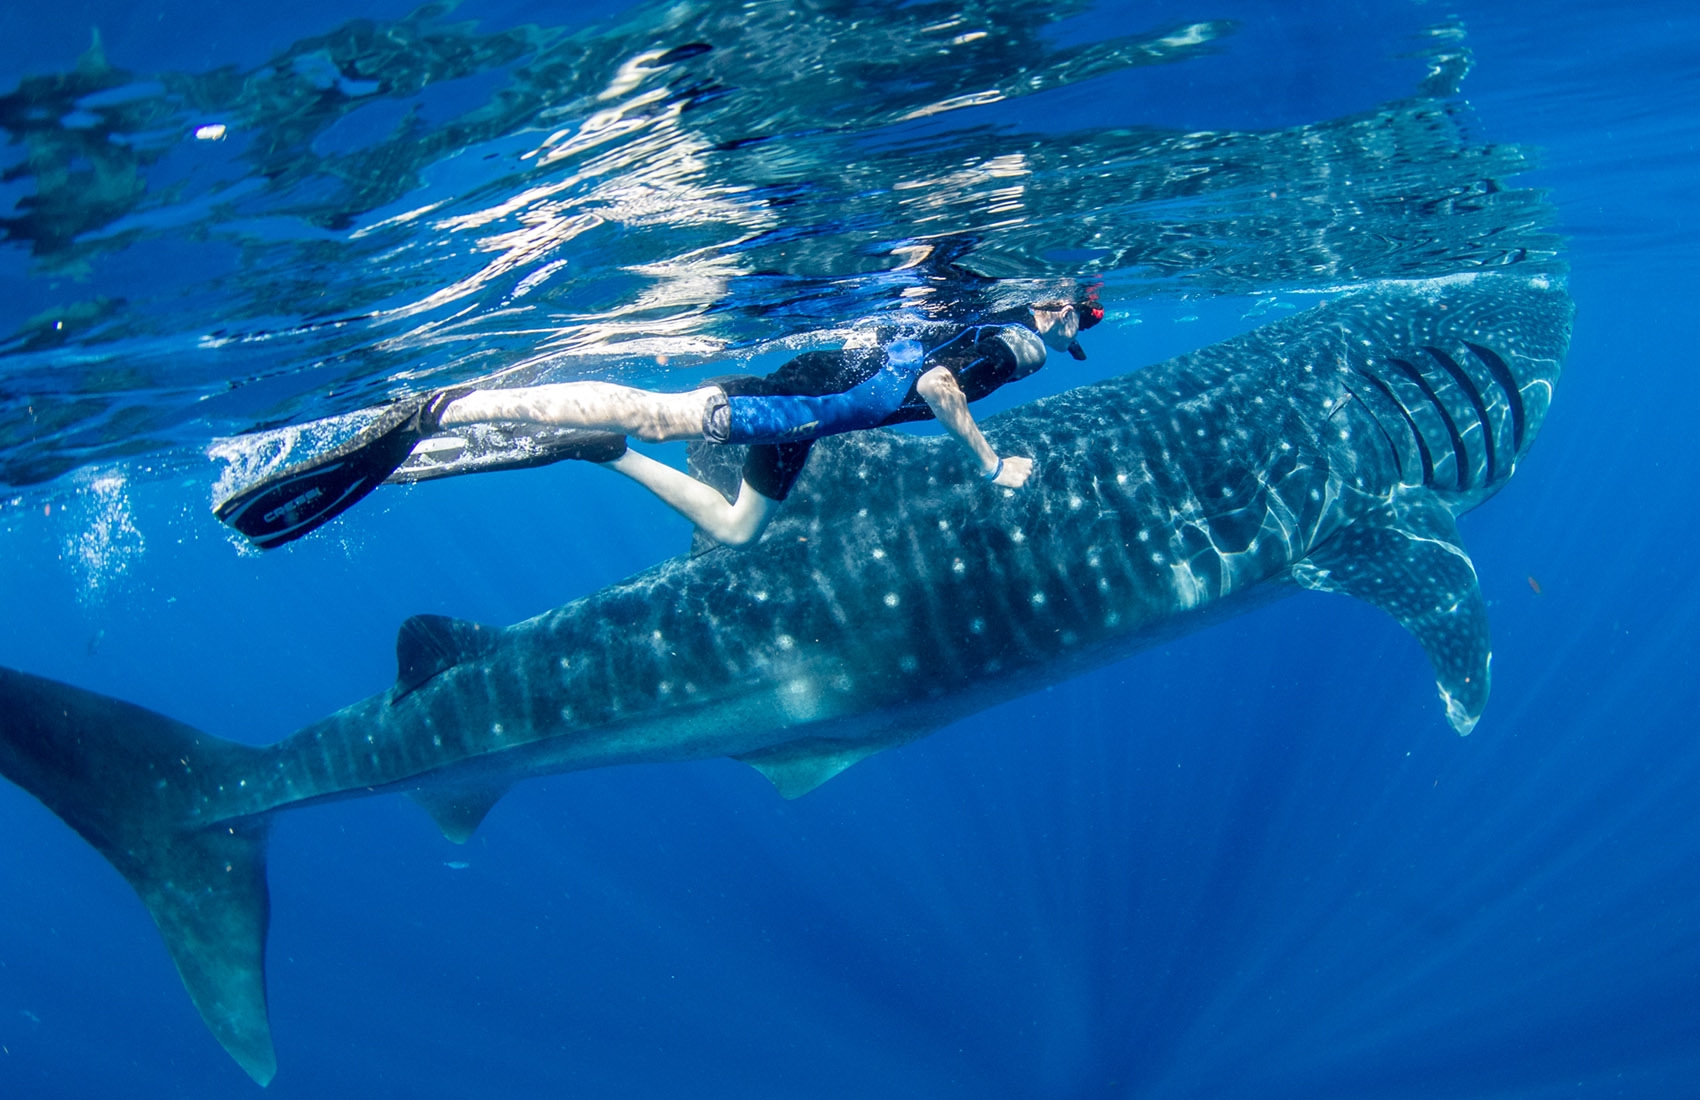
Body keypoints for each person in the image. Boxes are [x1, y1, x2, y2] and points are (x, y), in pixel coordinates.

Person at [215, 295, 1102, 550]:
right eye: (1085, 318)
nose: (1076, 334)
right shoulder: (1012, 343)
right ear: (1059, 306)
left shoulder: (974, 317)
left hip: (804, 421)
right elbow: (943, 384)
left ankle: (602, 455)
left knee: (738, 528)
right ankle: (444, 408)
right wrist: (990, 464)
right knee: (663, 411)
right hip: (793, 405)